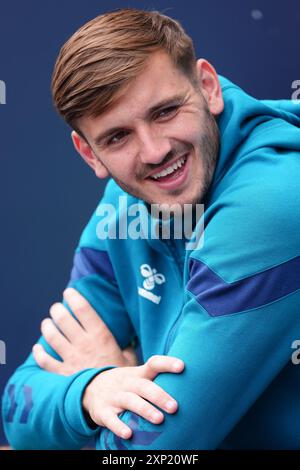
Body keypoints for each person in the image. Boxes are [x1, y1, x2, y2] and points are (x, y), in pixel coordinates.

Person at [2, 8, 300, 450]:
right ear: (90, 154)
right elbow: (16, 410)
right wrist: (92, 388)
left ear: (208, 88)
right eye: (117, 137)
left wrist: (99, 374)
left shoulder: (276, 202)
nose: (155, 151)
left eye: (165, 111)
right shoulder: (127, 202)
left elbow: (148, 451)